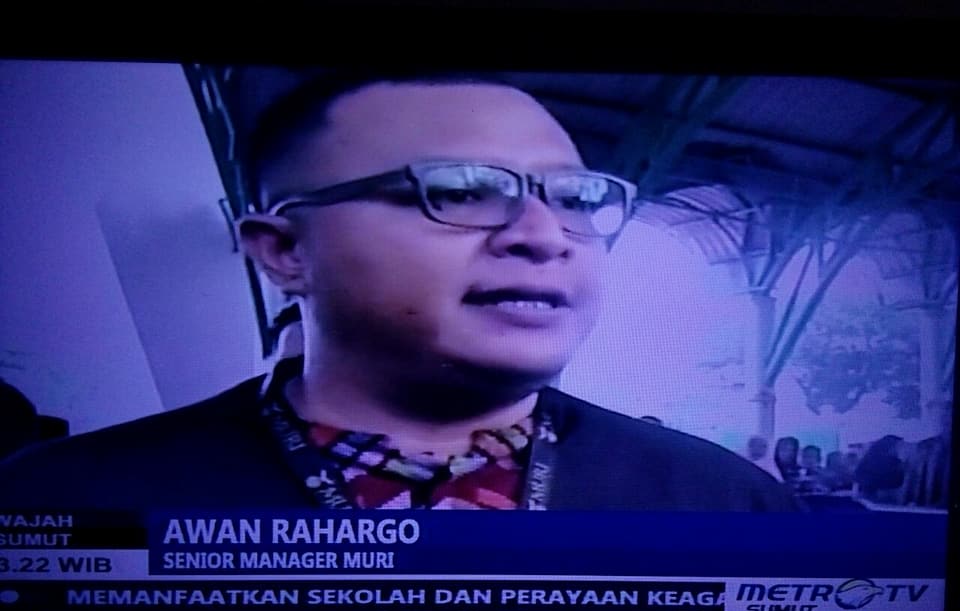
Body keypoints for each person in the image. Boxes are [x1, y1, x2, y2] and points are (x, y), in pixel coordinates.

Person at [0, 71, 795, 514]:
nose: (544, 235)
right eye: (460, 189)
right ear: (284, 251)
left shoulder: (724, 505)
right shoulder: (60, 505)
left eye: (576, 198)